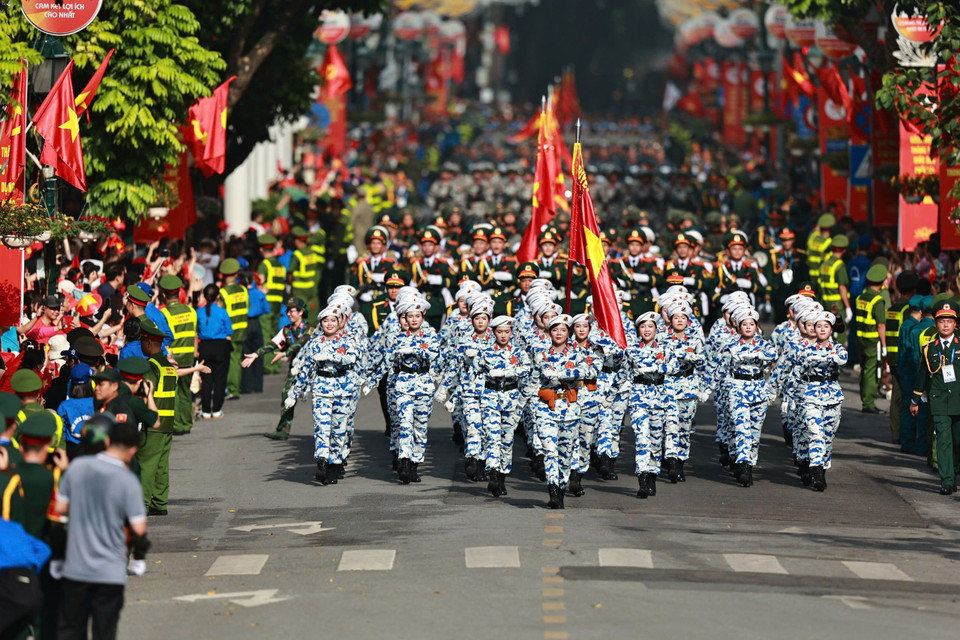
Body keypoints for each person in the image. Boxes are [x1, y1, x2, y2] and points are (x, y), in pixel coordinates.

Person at [54, 418, 147, 640]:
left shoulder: (76, 468)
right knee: (105, 630)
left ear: (108, 441)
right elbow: (139, 528)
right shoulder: (128, 480)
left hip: (76, 568)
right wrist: (139, 559)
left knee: (71, 628)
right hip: (110, 571)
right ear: (132, 449)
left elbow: (60, 508)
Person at [283, 304, 360, 484]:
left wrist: (332, 358)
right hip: (322, 390)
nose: (329, 324)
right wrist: (293, 393)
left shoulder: (348, 340)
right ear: (321, 323)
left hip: (343, 390)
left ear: (340, 321)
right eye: (325, 321)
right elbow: (305, 369)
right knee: (322, 428)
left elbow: (352, 358)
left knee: (339, 430)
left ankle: (334, 463)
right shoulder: (315, 342)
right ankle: (322, 463)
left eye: (333, 320)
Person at [532, 314, 597, 509]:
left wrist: (562, 374)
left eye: (562, 330)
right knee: (550, 452)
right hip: (546, 409)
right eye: (554, 330)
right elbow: (531, 382)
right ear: (549, 333)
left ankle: (561, 486)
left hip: (570, 410)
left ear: (568, 333)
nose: (559, 333)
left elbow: (592, 373)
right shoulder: (540, 355)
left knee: (566, 455)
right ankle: (553, 490)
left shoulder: (578, 355)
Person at [910, 300, 960, 495]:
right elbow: (923, 374)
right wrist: (915, 400)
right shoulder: (930, 347)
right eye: (941, 321)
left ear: (956, 323)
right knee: (943, 440)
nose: (946, 324)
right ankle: (947, 480)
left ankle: (954, 469)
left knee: (957, 440)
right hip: (938, 400)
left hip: (958, 398)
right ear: (935, 324)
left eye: (949, 321)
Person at [247, 298, 313, 440]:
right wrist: (256, 354)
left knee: (321, 399)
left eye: (292, 311)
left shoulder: (310, 329)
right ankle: (283, 430)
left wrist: (285, 353)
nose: (289, 314)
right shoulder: (287, 331)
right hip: (296, 368)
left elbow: (301, 343)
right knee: (286, 396)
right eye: (287, 311)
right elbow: (272, 344)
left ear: (301, 312)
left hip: (313, 369)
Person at [797, 311, 848, 491]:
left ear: (831, 330)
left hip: (832, 396)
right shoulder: (806, 349)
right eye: (818, 326)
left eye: (826, 326)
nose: (822, 329)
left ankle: (822, 468)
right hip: (811, 396)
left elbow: (842, 359)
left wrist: (821, 357)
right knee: (815, 434)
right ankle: (816, 470)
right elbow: (797, 371)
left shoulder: (838, 348)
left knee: (827, 437)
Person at [625, 311, 669, 498]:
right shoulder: (631, 349)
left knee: (656, 441)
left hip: (659, 398)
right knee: (642, 439)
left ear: (656, 329)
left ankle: (652, 476)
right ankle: (642, 479)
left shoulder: (665, 350)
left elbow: (674, 367)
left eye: (650, 326)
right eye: (643, 326)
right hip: (638, 399)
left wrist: (656, 368)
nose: (646, 330)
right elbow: (624, 375)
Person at [155, 275, 197, 435]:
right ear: (179, 292)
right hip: (188, 357)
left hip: (173, 359)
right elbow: (193, 334)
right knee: (186, 392)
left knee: (175, 393)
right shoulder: (191, 311)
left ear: (164, 294)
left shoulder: (164, 313)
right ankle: (187, 423)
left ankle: (178, 425)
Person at [0, 518, 50, 640]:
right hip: (32, 587)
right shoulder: (14, 527)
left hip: (8, 585)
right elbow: (45, 549)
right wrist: (29, 568)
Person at [196, 284, 233, 419]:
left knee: (206, 380)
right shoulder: (222, 312)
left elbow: (197, 330)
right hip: (220, 346)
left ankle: (205, 410)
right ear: (218, 296)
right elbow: (229, 330)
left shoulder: (198, 312)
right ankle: (217, 410)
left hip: (204, 346)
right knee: (220, 379)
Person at [855, 264, 888, 414]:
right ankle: (868, 403)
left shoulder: (862, 296)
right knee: (871, 371)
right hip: (873, 340)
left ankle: (865, 398)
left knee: (864, 369)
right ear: (882, 282)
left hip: (861, 338)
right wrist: (884, 345)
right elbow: (881, 325)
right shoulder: (878, 300)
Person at [256, 234, 287, 375]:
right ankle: (275, 365)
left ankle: (268, 365)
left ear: (262, 249)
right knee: (276, 334)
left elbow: (260, 284)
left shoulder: (264, 265)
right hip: (277, 303)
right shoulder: (280, 265)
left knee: (266, 334)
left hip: (266, 304)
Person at [219, 258, 249, 400]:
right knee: (236, 358)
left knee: (232, 360)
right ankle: (235, 387)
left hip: (229, 332)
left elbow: (221, 314)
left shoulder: (223, 293)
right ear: (236, 274)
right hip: (242, 329)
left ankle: (232, 388)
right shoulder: (243, 290)